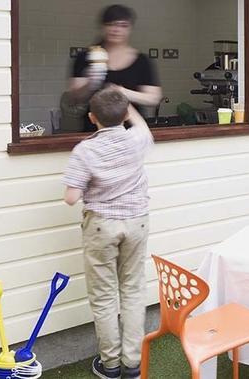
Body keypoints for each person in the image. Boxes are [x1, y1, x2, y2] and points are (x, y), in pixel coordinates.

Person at [62, 87, 154, 379]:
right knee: (133, 292)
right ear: (125, 115)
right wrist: (127, 105)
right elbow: (141, 125)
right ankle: (132, 365)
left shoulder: (85, 150)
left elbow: (71, 197)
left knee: (103, 297)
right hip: (136, 222)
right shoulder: (137, 139)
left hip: (102, 225)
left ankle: (110, 366)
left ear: (92, 118)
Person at [66, 5, 162, 132]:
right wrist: (90, 84)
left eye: (123, 25)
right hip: (94, 131)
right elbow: (73, 98)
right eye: (111, 24)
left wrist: (123, 92)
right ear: (103, 27)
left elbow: (153, 98)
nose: (116, 29)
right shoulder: (85, 57)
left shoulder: (142, 61)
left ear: (130, 28)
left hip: (131, 132)